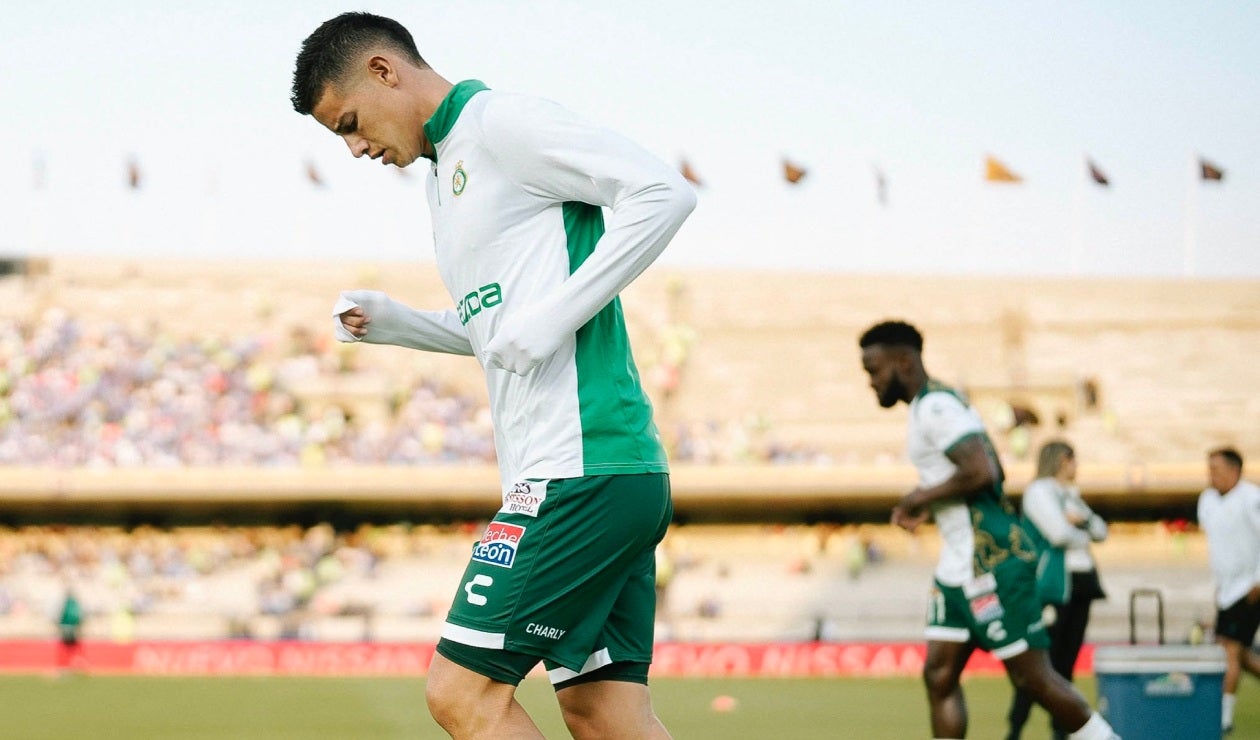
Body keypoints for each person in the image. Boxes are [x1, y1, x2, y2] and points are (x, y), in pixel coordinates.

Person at [291, 12, 695, 739]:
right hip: (604, 469)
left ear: (385, 70)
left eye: (350, 122)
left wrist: (555, 315)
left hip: (579, 468)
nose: (354, 148)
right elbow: (500, 332)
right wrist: (398, 323)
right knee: (605, 714)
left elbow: (663, 194)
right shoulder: (442, 178)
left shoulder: (502, 124)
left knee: (459, 694)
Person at [858, 320, 1118, 740]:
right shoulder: (932, 405)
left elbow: (981, 469)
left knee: (1034, 679)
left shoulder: (936, 408)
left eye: (874, 370)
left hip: (991, 561)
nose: (870, 382)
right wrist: (934, 503)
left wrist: (918, 498)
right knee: (939, 675)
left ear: (903, 361)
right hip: (958, 566)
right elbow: (982, 471)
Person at [1007, 440, 1109, 740]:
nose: (1077, 467)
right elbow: (1058, 533)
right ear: (1063, 460)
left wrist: (1083, 523)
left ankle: (1060, 731)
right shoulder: (1039, 491)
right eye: (1073, 460)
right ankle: (1015, 729)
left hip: (1080, 585)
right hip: (1052, 587)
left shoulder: (1070, 495)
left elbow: (1101, 530)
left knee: (1067, 664)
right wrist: (1083, 531)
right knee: (1039, 666)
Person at [1196, 447, 1260, 735]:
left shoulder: (1252, 498)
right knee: (1242, 655)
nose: (1211, 475)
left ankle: (1222, 717)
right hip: (1227, 588)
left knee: (1228, 651)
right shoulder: (1207, 500)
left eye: (1216, 469)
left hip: (1249, 588)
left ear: (1234, 471)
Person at [56, 587, 84, 674]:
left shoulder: (66, 604)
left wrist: (60, 625)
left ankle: (66, 667)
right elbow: (79, 617)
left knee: (66, 649)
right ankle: (75, 665)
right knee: (73, 648)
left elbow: (63, 616)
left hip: (66, 628)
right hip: (73, 628)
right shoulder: (75, 604)